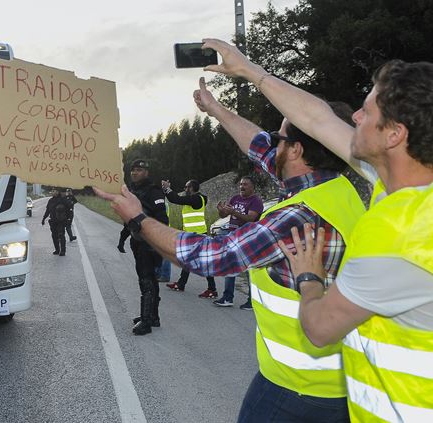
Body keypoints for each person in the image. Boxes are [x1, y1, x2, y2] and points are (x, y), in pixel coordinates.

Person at [95, 82, 365, 422]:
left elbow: (213, 256)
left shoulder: (298, 216)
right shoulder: (334, 189)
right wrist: (215, 108)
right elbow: (260, 150)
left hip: (301, 386)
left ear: (295, 150)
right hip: (336, 380)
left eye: (277, 136)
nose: (269, 144)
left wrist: (137, 218)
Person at [203, 38, 433, 421]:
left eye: (366, 110)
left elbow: (321, 328)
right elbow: (316, 118)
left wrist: (309, 277)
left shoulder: (405, 237)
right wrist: (249, 71)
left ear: (394, 135)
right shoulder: (397, 180)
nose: (355, 117)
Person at [121, 159, 169, 335]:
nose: (135, 173)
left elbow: (163, 219)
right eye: (133, 170)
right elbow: (129, 218)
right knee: (149, 279)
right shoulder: (133, 191)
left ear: (146, 172)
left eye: (139, 170)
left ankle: (146, 321)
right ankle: (152, 316)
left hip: (149, 244)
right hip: (138, 242)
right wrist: (123, 237)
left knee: (147, 280)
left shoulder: (153, 191)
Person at [163, 179, 218, 298]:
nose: (185, 189)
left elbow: (176, 199)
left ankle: (212, 289)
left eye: (186, 187)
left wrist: (167, 189)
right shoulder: (199, 199)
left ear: (192, 188)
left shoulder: (196, 199)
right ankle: (182, 284)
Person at [214, 176, 263, 309]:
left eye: (245, 184)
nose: (242, 186)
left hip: (247, 239)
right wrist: (221, 210)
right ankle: (227, 297)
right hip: (232, 236)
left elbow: (251, 219)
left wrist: (233, 211)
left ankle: (252, 301)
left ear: (252, 187)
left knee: (248, 271)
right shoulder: (235, 198)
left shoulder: (256, 201)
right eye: (241, 184)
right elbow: (224, 215)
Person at [41, 189, 69, 256]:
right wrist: (43, 218)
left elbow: (69, 208)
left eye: (54, 191)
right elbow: (48, 210)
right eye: (52, 191)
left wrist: (68, 219)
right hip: (53, 221)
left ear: (58, 191)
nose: (52, 192)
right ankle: (57, 249)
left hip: (61, 221)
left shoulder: (63, 200)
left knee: (61, 235)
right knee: (54, 236)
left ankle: (63, 251)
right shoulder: (51, 200)